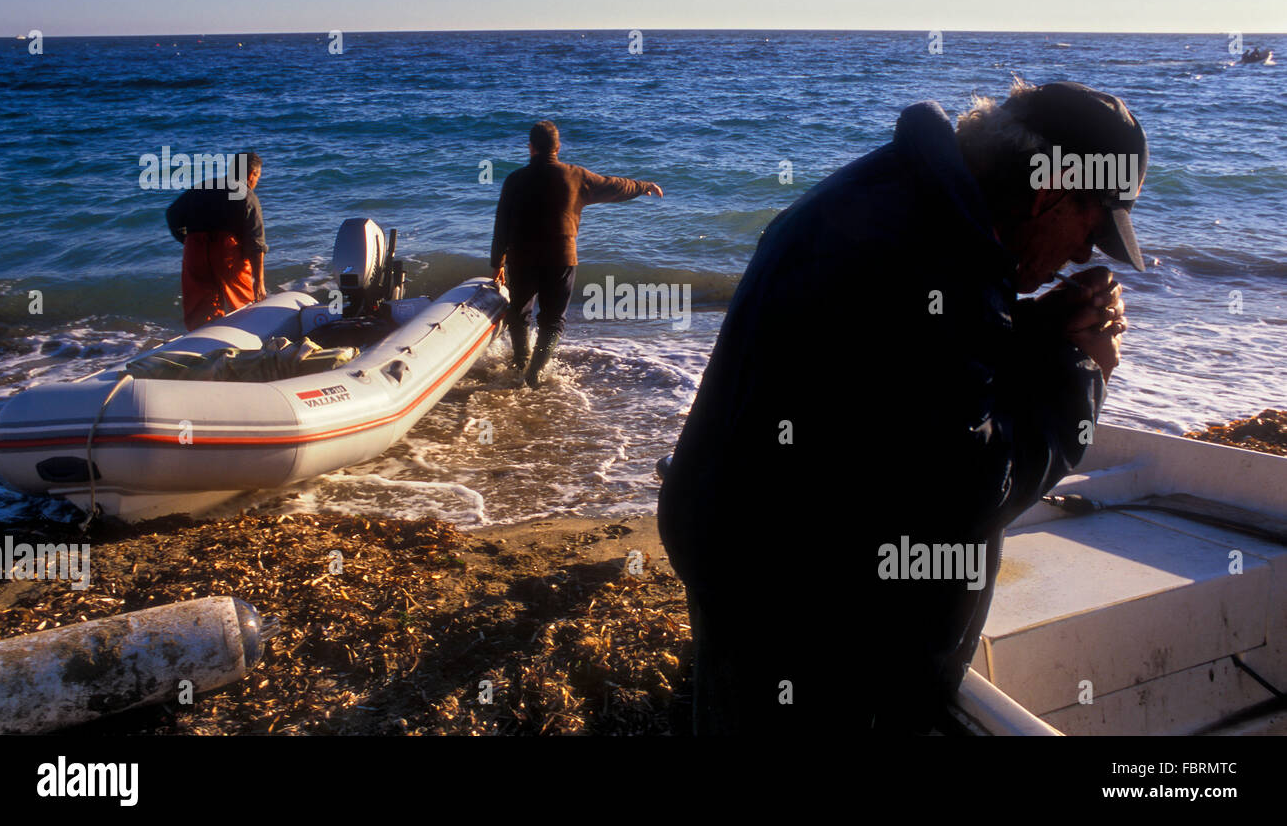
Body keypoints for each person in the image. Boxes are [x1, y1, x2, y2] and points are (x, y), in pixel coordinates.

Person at [657, 79, 1147, 735]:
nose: (1085, 253)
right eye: (1091, 228)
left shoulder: (903, 203)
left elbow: (896, 389)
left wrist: (1031, 333)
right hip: (811, 623)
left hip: (758, 571)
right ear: (1049, 192)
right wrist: (1080, 374)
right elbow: (966, 489)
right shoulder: (934, 255)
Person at [490, 121, 663, 387]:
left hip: (521, 257)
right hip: (561, 258)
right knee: (552, 320)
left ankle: (521, 362)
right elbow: (614, 186)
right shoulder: (576, 176)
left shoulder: (514, 180)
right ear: (558, 147)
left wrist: (497, 262)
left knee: (518, 313)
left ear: (530, 147)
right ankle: (535, 372)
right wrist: (643, 186)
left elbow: (501, 224)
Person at [166, 151, 268, 330]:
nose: (256, 182)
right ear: (251, 174)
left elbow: (172, 214)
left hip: (194, 248)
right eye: (257, 177)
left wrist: (187, 241)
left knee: (200, 309)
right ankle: (251, 336)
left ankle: (204, 344)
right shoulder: (246, 195)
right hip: (227, 251)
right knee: (243, 303)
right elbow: (256, 243)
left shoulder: (203, 186)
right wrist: (259, 282)